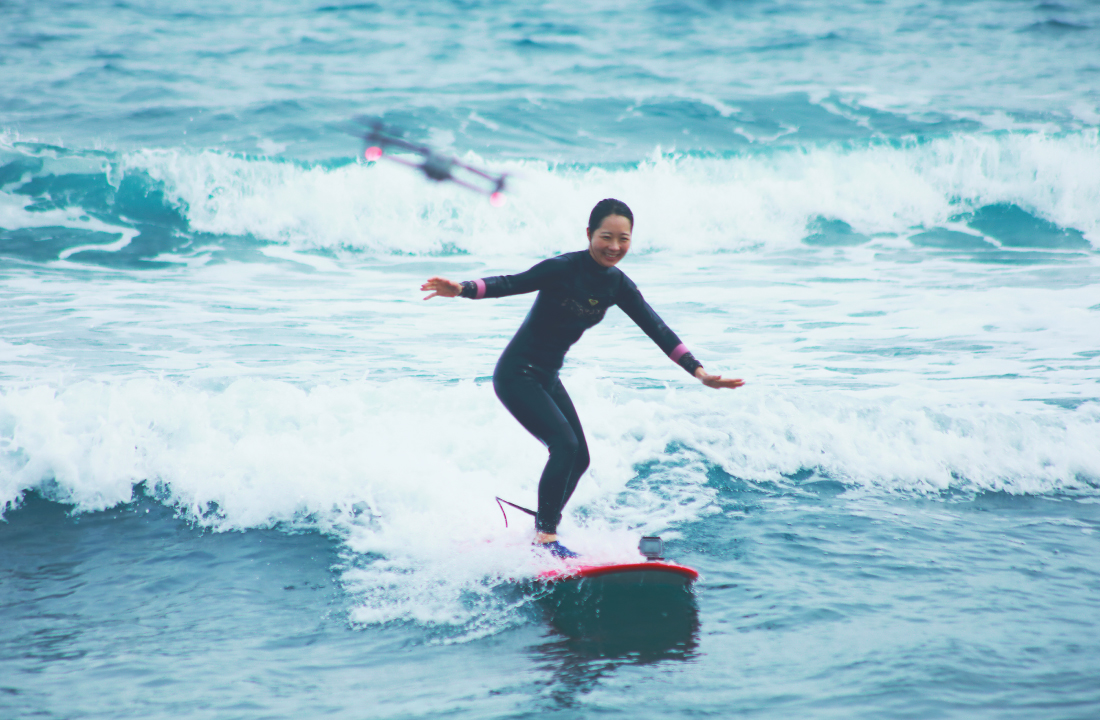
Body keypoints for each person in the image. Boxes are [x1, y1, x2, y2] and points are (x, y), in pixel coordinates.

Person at [421, 198, 743, 558]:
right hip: (516, 374)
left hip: (547, 377)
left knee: (580, 458)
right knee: (565, 445)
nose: (615, 246)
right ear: (589, 233)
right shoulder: (562, 268)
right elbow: (511, 283)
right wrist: (462, 288)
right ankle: (545, 538)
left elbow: (657, 328)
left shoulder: (618, 285)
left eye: (624, 239)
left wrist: (698, 371)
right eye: (607, 236)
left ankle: (544, 526)